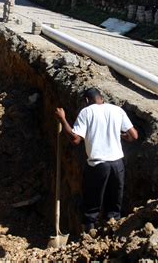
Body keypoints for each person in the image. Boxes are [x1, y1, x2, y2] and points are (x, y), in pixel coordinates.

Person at [54, 88, 138, 232]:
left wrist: (62, 119)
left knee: (92, 205)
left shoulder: (86, 112)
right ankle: (111, 233)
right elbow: (133, 136)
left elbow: (75, 139)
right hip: (118, 165)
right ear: (101, 98)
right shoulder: (117, 110)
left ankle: (88, 236)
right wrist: (122, 136)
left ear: (87, 100)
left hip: (98, 165)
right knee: (114, 205)